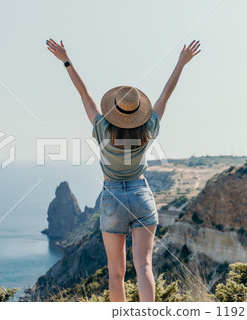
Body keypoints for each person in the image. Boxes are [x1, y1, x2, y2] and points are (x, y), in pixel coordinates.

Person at [46, 38, 201, 302]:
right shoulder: (148, 129)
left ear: (113, 112)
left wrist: (66, 60)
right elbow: (165, 95)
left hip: (112, 198)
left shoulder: (102, 129)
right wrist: (181, 63)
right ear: (138, 113)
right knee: (144, 266)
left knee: (116, 272)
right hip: (142, 194)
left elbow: (84, 94)